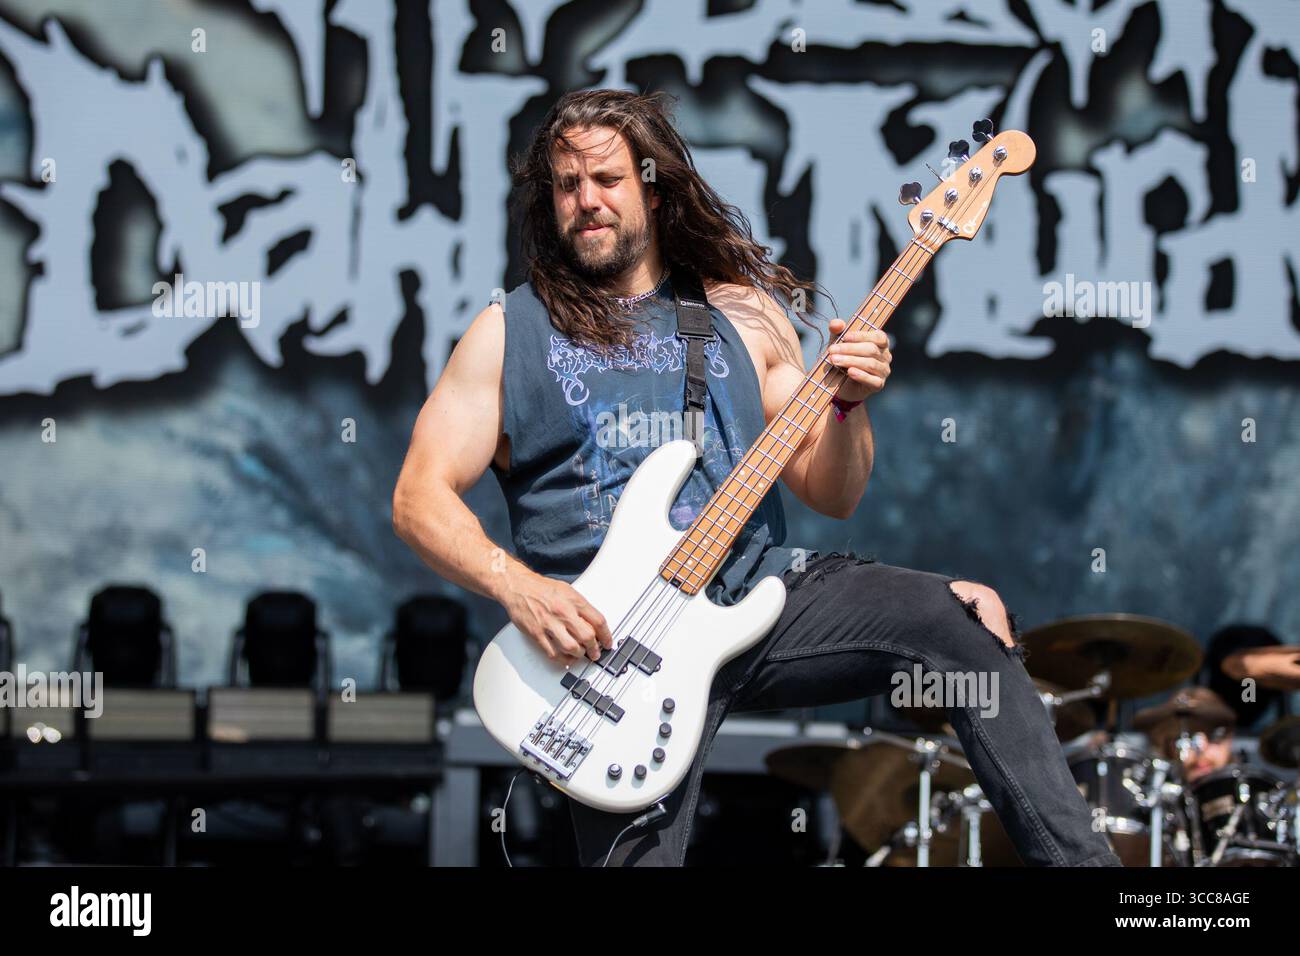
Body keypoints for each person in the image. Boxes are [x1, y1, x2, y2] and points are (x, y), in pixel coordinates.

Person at [392, 88, 1120, 867]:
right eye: (567, 186)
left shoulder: (744, 315)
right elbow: (417, 499)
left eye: (606, 180)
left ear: (652, 184)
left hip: (758, 602)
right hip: (604, 651)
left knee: (966, 622)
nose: (586, 201)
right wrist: (519, 587)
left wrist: (847, 406)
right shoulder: (510, 330)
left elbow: (832, 493)